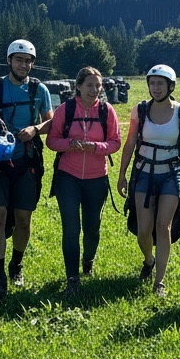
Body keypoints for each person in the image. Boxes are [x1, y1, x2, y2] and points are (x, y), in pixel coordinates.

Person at [0, 39, 54, 300]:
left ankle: (16, 264)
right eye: (19, 59)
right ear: (9, 61)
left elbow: (51, 122)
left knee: (23, 220)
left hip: (27, 162)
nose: (24, 65)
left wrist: (36, 129)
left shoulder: (40, 91)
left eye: (28, 61)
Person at [116, 64, 180, 297]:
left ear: (170, 86)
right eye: (152, 83)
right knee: (144, 230)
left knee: (162, 226)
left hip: (171, 174)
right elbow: (130, 143)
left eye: (160, 84)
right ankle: (149, 260)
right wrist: (122, 174)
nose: (156, 88)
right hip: (144, 172)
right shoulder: (140, 110)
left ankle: (159, 282)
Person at [45, 67, 122, 297]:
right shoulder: (65, 110)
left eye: (98, 86)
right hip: (68, 177)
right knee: (71, 229)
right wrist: (69, 144)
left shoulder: (107, 111)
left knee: (92, 228)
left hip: (97, 179)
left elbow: (115, 142)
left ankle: (88, 262)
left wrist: (95, 148)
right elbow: (52, 141)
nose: (95, 90)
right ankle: (72, 277)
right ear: (78, 86)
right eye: (90, 85)